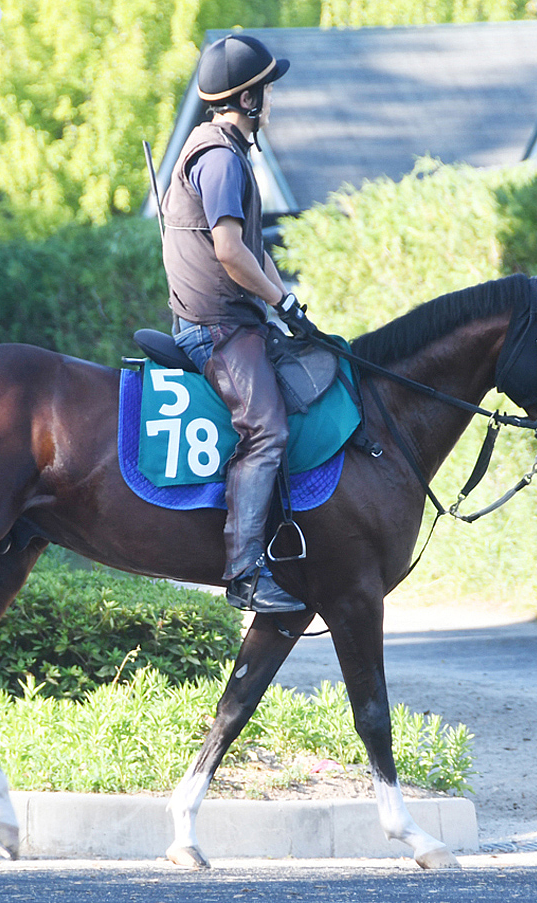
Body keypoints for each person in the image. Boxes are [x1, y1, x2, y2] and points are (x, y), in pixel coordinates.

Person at [160, 34, 314, 614]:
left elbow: (254, 250)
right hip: (216, 327)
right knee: (268, 430)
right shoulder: (222, 157)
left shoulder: (229, 151)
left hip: (234, 319)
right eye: (266, 90)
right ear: (247, 99)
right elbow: (229, 250)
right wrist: (278, 300)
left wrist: (289, 303)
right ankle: (245, 573)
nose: (270, 99)